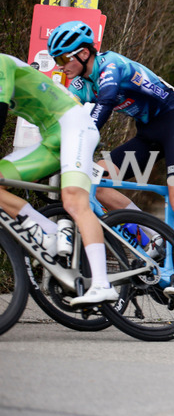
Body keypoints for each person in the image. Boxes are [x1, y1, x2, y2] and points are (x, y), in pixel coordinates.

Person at [51, 20, 174, 299]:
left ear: (83, 54)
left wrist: (81, 144)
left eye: (63, 58)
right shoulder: (82, 83)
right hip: (147, 137)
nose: (60, 65)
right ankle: (155, 235)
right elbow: (71, 117)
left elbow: (104, 106)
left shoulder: (111, 65)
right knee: (98, 182)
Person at [0, 53, 115, 305]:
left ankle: (102, 283)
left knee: (74, 201)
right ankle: (48, 232)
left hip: (75, 127)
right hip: (50, 138)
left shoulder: (1, 63)